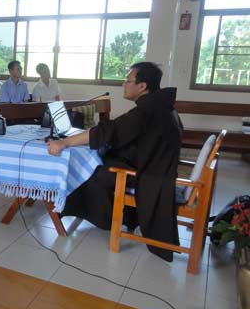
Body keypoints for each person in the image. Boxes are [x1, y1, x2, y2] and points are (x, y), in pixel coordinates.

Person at [46, 62, 182, 262]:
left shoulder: (148, 109)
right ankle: (113, 215)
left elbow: (110, 131)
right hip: (155, 167)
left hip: (150, 175)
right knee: (100, 161)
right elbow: (120, 130)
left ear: (142, 86)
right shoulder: (160, 105)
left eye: (128, 80)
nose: (124, 84)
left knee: (92, 172)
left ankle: (110, 219)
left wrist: (64, 142)